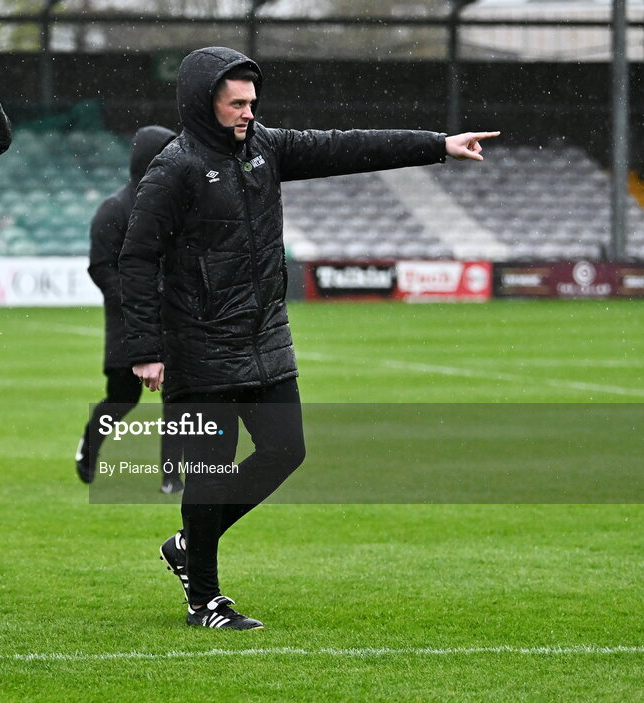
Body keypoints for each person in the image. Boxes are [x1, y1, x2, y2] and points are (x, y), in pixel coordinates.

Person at [118, 46, 498, 630]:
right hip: (199, 343)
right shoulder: (176, 168)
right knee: (209, 472)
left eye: (252, 102)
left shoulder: (266, 148)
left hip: (265, 334)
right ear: (203, 103)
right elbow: (137, 258)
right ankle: (205, 600)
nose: (248, 112)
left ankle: (189, 547)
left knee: (284, 450)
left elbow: (347, 145)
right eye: (236, 103)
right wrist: (144, 348)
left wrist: (437, 145)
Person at [76, 125, 185, 494]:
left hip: (173, 318)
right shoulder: (115, 208)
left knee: (178, 399)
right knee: (123, 399)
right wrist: (137, 297)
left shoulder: (175, 203)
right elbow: (100, 266)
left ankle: (172, 475)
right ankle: (90, 446)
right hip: (127, 322)